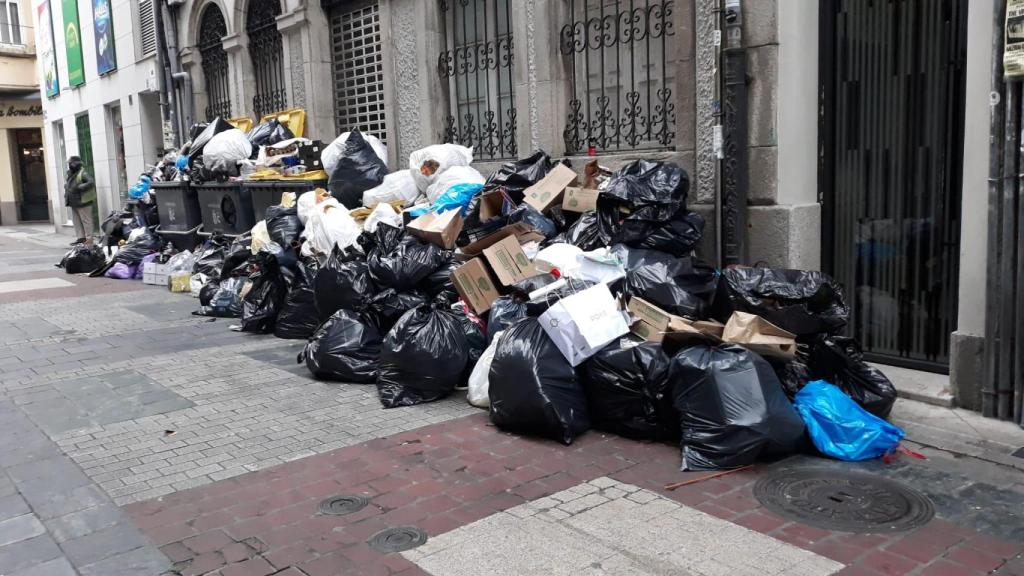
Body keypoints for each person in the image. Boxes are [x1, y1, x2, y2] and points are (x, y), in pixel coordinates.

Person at [64, 155, 96, 245]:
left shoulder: (83, 173)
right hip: (74, 202)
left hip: (83, 202)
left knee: (86, 221)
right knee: (77, 221)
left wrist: (80, 187)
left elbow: (91, 182)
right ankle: (81, 238)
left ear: (75, 164)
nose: (69, 165)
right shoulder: (71, 174)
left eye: (70, 163)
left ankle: (89, 240)